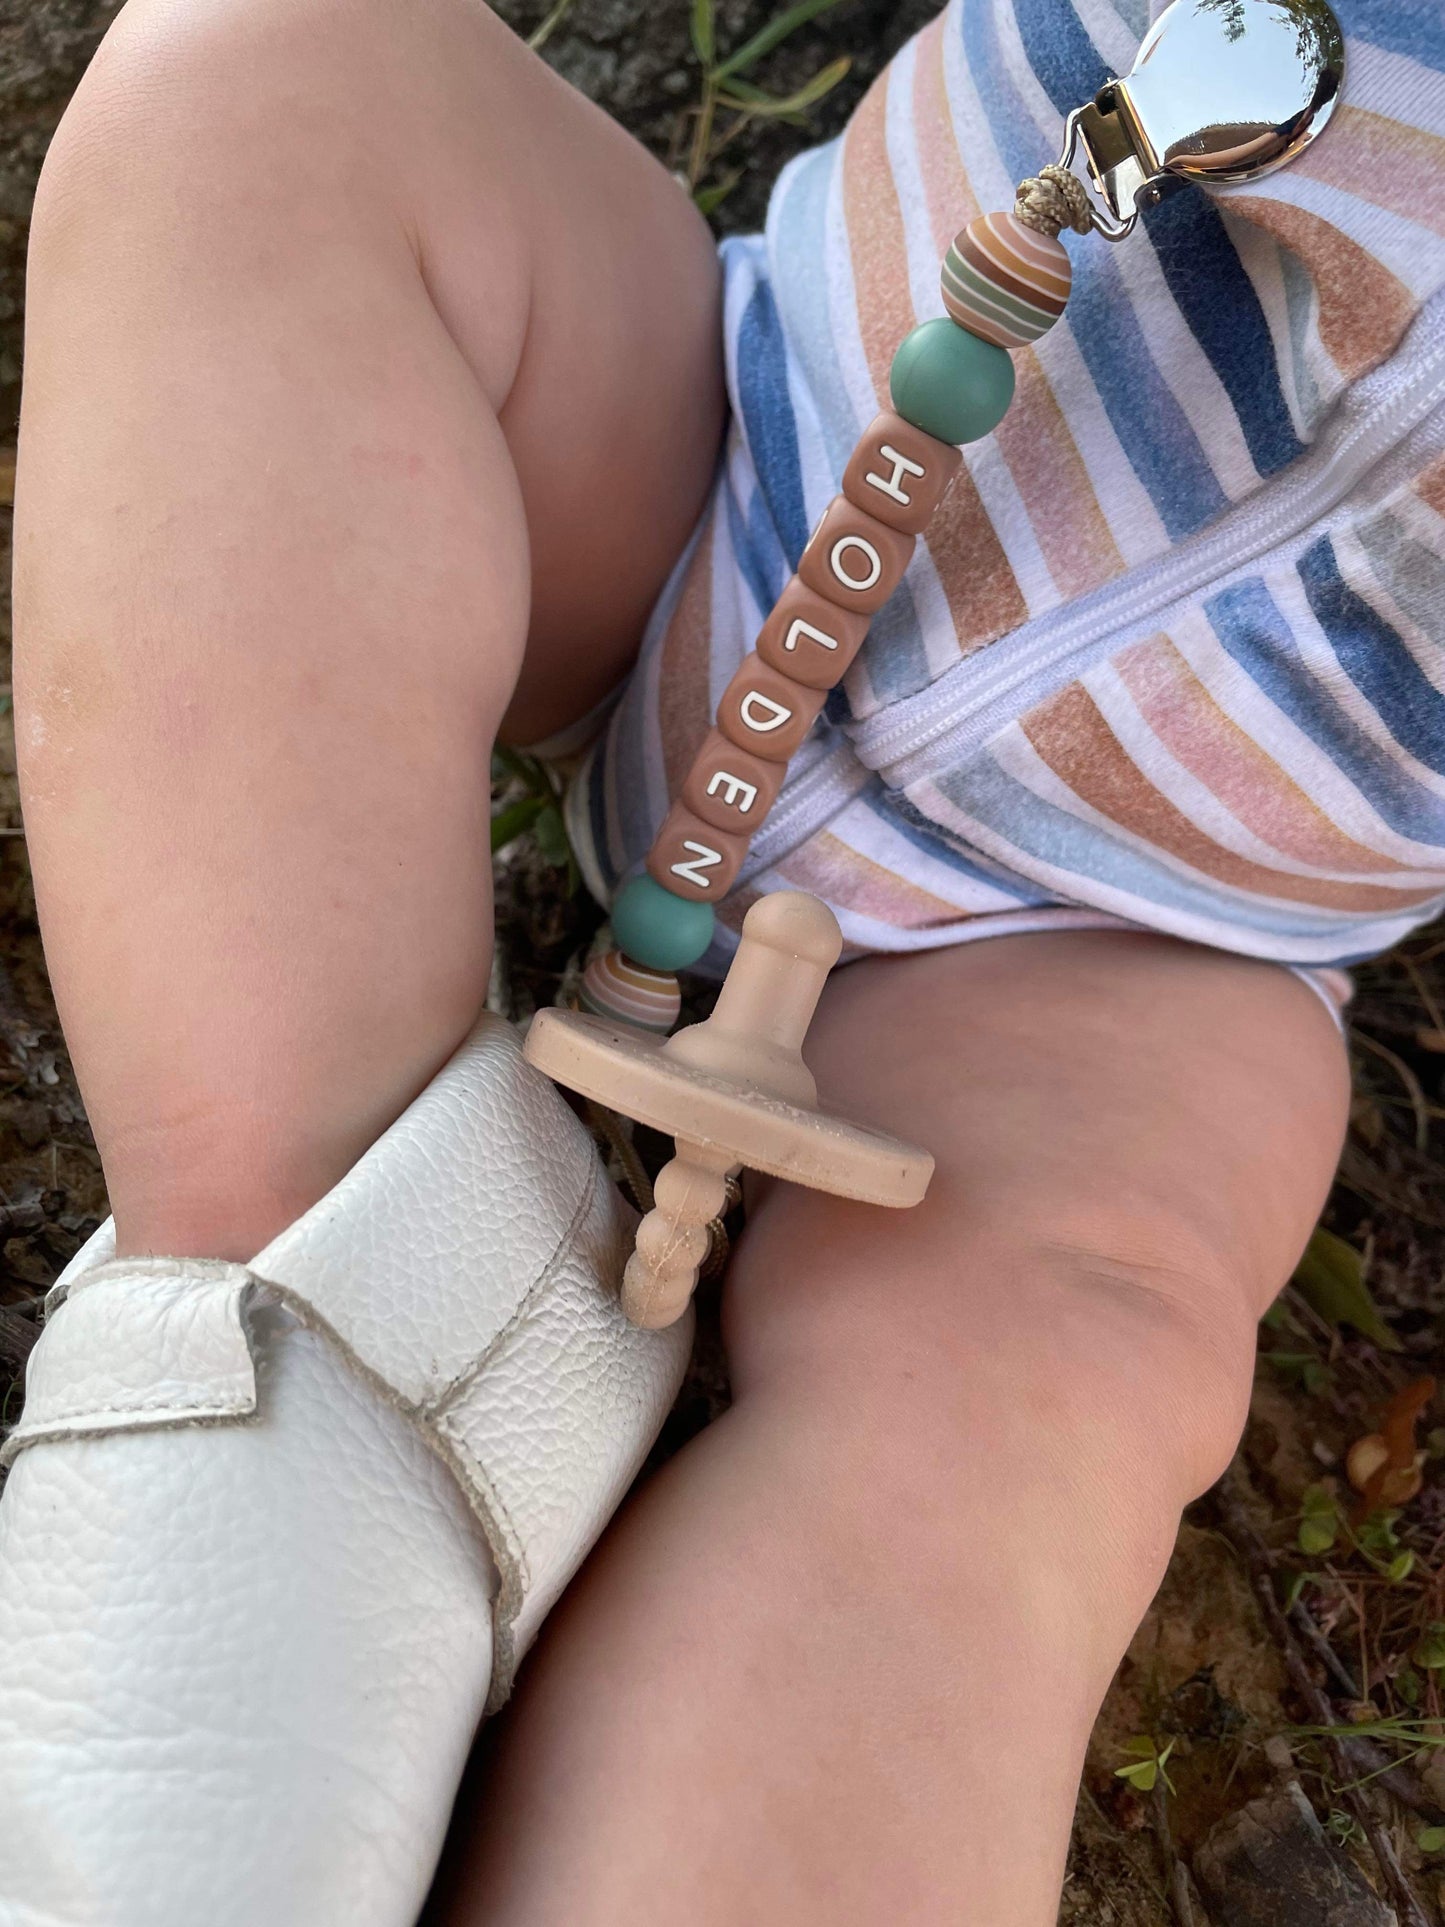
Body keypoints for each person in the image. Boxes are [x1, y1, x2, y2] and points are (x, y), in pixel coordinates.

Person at [4, 0, 1443, 1918]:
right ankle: (292, 1292)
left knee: (1019, 1389)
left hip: (1137, 931)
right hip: (723, 447)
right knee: (274, 86)